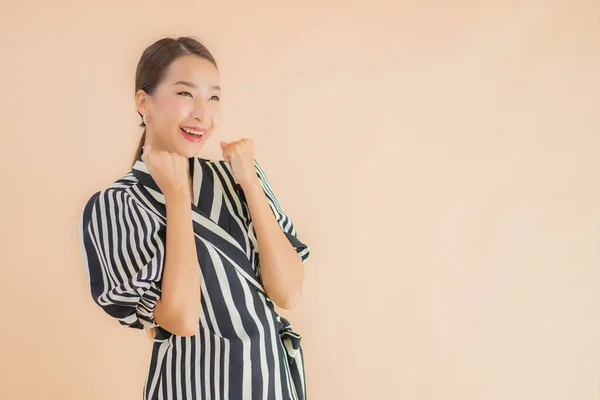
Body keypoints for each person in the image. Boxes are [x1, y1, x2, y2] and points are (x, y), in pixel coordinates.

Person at [78, 36, 311, 400]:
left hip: (269, 382)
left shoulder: (237, 175)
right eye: (186, 94)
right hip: (192, 387)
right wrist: (176, 197)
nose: (203, 114)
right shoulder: (117, 204)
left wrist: (249, 181)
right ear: (144, 102)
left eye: (213, 97)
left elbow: (288, 292)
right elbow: (182, 318)